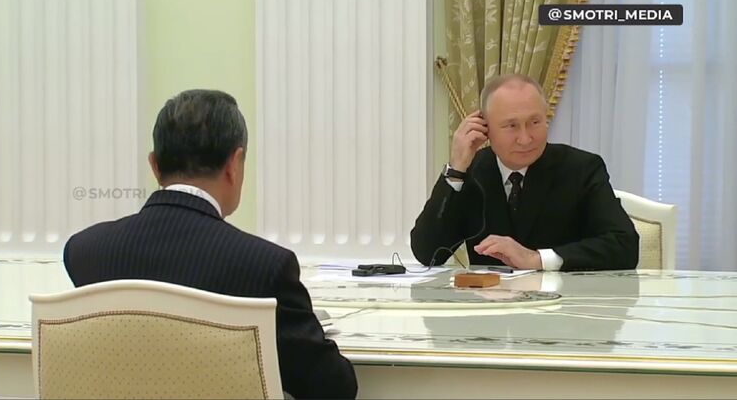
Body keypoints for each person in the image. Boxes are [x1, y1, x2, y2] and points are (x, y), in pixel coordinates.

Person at [63, 89, 358, 399]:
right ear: (234, 164)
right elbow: (333, 389)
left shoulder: (83, 252)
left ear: (154, 165)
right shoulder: (264, 267)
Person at [411, 74, 639, 271]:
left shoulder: (581, 168)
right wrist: (456, 170)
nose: (525, 138)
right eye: (511, 126)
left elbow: (625, 246)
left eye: (535, 122)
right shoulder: (472, 171)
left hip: (563, 302)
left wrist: (537, 259)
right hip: (489, 303)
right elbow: (427, 253)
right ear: (485, 128)